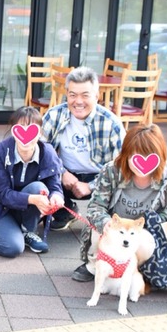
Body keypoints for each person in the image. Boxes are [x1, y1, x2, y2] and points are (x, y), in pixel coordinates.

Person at [75, 124, 167, 285]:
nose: (142, 163)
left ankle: (134, 269)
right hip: (115, 225)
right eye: (135, 156)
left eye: (149, 156)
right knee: (99, 231)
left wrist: (161, 218)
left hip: (144, 230)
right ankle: (94, 266)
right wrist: (105, 222)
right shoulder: (112, 171)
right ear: (126, 154)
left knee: (145, 243)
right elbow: (96, 206)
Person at [42, 66, 125, 235]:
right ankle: (64, 212)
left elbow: (122, 166)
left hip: (100, 178)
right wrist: (62, 172)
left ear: (96, 96)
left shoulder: (111, 123)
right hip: (65, 176)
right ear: (66, 94)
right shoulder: (54, 116)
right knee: (37, 171)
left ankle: (107, 216)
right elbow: (40, 151)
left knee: (126, 183)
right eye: (73, 95)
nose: (78, 101)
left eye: (85, 95)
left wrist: (91, 186)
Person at [0, 107, 64, 258]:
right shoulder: (0, 151)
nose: (26, 134)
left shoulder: (48, 152)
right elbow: (2, 194)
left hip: (24, 210)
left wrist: (56, 196)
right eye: (20, 128)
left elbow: (55, 186)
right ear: (13, 131)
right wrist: (33, 199)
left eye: (32, 129)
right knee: (12, 248)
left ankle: (27, 231)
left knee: (39, 187)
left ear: (40, 133)